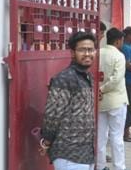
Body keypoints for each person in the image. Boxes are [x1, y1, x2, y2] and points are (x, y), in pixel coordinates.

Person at [40, 32, 96, 170]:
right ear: (72, 53)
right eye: (82, 50)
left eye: (91, 49)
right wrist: (46, 142)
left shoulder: (86, 76)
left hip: (86, 153)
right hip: (69, 154)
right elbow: (52, 115)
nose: (88, 53)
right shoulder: (64, 78)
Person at [97, 28, 128, 170]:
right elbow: (116, 79)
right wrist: (102, 89)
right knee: (116, 137)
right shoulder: (119, 56)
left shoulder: (98, 54)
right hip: (116, 101)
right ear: (117, 41)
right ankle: (119, 167)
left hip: (100, 102)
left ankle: (100, 165)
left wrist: (98, 90)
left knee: (100, 137)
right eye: (121, 40)